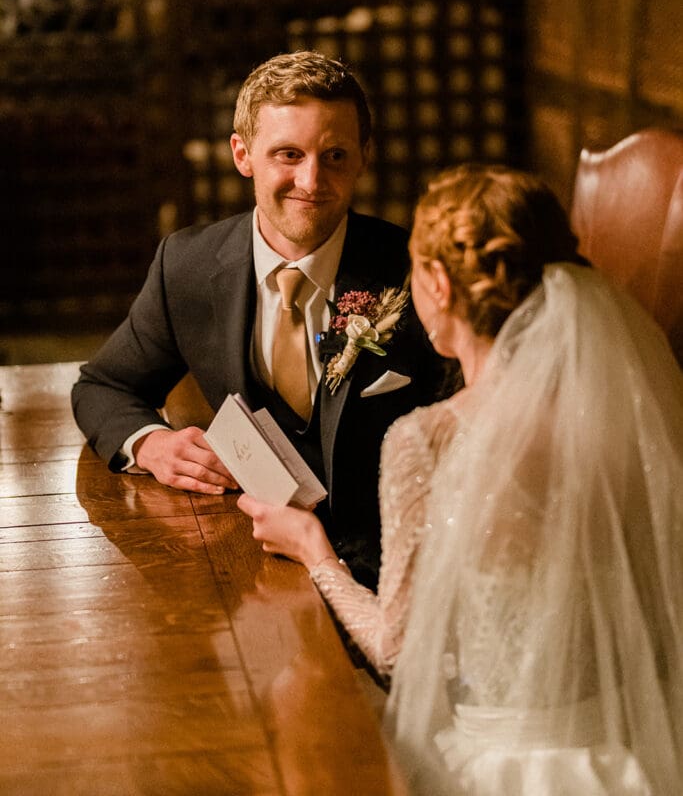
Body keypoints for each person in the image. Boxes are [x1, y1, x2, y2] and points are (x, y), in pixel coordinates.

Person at [241, 164, 683, 795]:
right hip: (622, 755)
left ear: (439, 285)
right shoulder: (628, 418)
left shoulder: (429, 440)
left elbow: (397, 649)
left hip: (498, 764)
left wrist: (315, 553)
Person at [71, 51, 446, 588]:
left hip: (402, 573)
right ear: (243, 154)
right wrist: (151, 444)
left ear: (364, 157)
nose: (311, 180)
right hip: (252, 568)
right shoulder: (188, 267)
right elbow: (102, 386)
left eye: (335, 155)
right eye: (288, 154)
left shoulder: (415, 270)